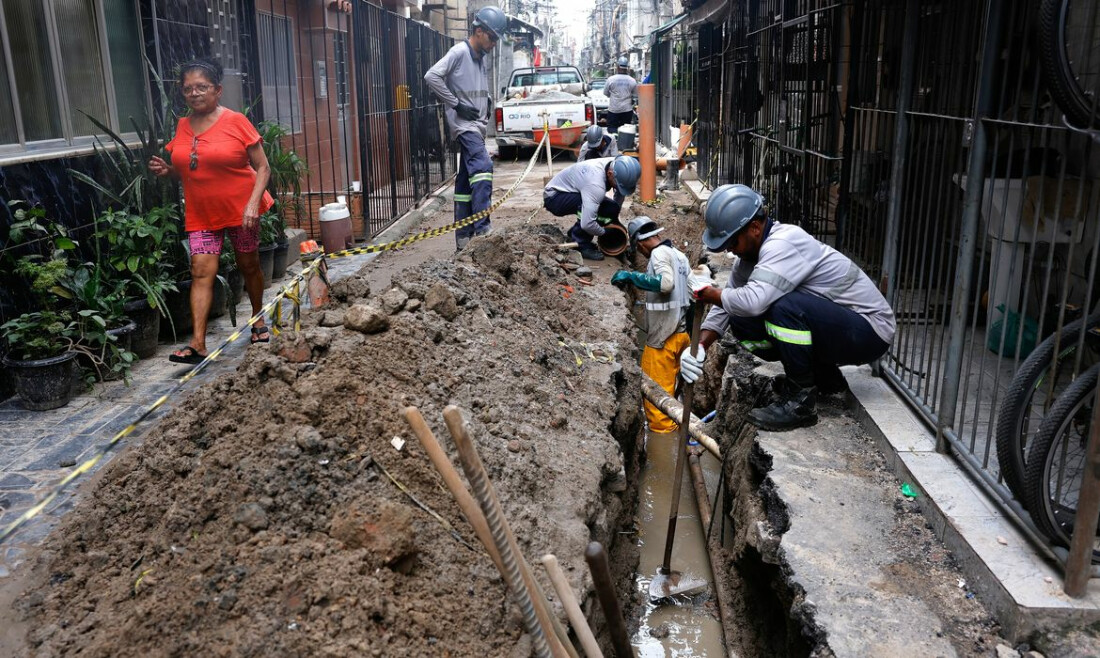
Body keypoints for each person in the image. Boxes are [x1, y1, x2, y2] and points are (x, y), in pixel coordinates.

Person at [680, 184, 896, 431]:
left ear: (754, 228)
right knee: (741, 320)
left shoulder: (784, 243)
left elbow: (753, 301)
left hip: (869, 331)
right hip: (841, 329)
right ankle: (824, 379)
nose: (730, 250)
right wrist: (700, 346)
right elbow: (727, 306)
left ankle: (800, 401)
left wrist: (711, 294)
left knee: (783, 308)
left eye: (732, 242)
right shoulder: (749, 259)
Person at [149, 58, 273, 365]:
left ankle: (258, 319)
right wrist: (169, 171)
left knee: (249, 265)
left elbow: (263, 167)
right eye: (188, 88)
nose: (194, 93)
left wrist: (252, 204)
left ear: (217, 90)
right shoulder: (181, 126)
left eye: (201, 87)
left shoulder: (235, 122)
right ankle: (198, 343)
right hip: (202, 214)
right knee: (201, 271)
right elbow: (191, 168)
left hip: (241, 210)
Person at [424, 6, 507, 250]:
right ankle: (482, 230)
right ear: (479, 31)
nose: (493, 43)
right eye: (491, 37)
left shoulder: (480, 58)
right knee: (482, 168)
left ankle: (463, 238)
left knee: (464, 183)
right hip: (465, 126)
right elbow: (432, 76)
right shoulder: (459, 52)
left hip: (476, 127)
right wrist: (456, 104)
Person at [612, 218, 696, 433]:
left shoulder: (659, 254)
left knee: (657, 405)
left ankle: (663, 445)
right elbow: (693, 292)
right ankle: (679, 429)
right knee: (673, 391)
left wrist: (632, 277)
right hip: (682, 335)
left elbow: (665, 284)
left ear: (640, 243)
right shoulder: (680, 255)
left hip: (663, 340)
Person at [542, 155, 641, 261]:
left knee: (610, 207)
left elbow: (619, 196)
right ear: (610, 174)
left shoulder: (618, 166)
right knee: (592, 206)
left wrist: (614, 220)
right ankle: (582, 244)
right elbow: (587, 223)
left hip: (571, 191)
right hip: (554, 197)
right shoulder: (595, 185)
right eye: (618, 185)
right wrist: (604, 232)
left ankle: (573, 233)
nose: (618, 188)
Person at [603, 56, 637, 135]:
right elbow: (635, 95)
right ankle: (623, 145)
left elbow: (605, 93)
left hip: (614, 110)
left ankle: (614, 143)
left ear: (618, 67)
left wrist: (612, 96)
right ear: (627, 68)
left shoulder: (611, 79)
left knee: (612, 130)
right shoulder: (632, 80)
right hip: (627, 110)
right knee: (626, 131)